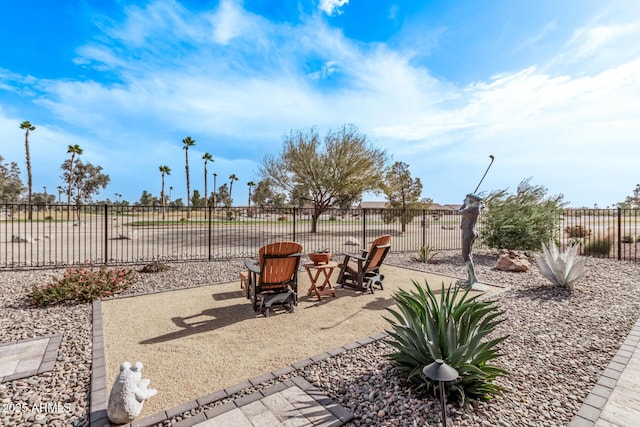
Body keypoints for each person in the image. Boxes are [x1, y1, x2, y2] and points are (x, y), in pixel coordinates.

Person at [458, 193, 483, 287]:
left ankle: (473, 279)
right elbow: (481, 205)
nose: (466, 200)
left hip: (468, 233)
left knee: (466, 256)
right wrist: (468, 202)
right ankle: (470, 278)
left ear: (472, 201)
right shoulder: (477, 209)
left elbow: (460, 211)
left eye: (468, 199)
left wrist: (464, 203)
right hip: (471, 232)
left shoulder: (470, 210)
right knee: (469, 256)